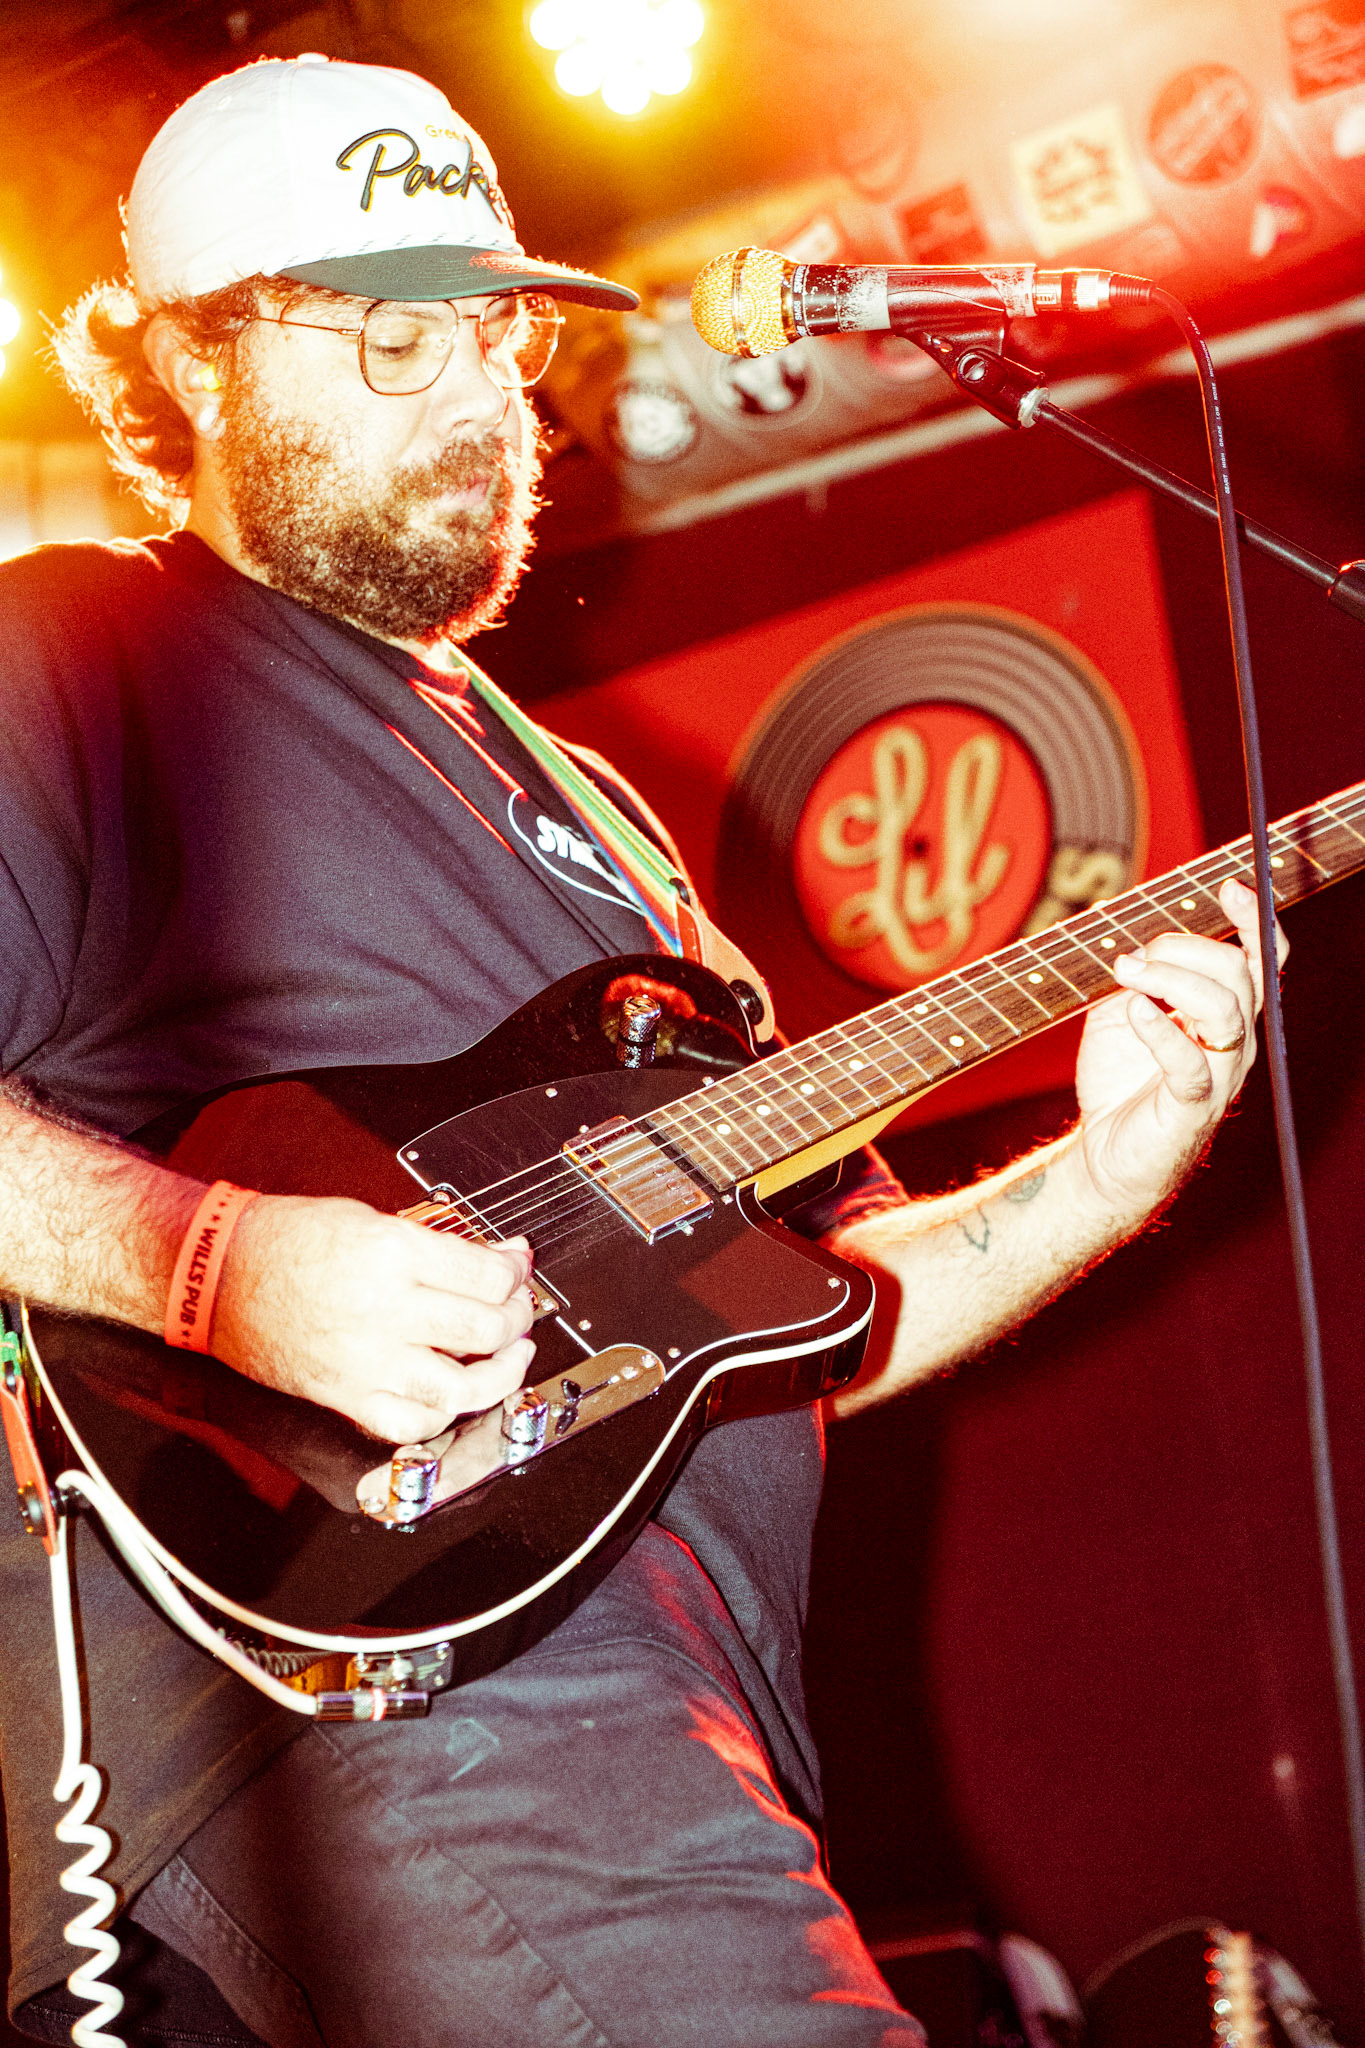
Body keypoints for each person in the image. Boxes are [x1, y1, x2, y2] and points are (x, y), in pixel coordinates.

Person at [0, 54, 1282, 2048]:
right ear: (192, 363)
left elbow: (821, 1319)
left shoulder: (597, 815)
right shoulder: (84, 661)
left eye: (491, 328)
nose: (470, 392)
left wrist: (1104, 1171)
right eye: (387, 335)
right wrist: (211, 1265)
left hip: (679, 1696)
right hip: (390, 1693)